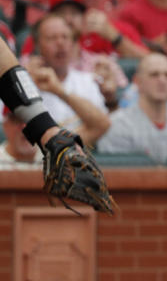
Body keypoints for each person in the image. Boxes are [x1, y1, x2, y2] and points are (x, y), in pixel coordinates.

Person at [0, 31, 115, 213]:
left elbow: (102, 124)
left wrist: (47, 130)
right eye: (16, 120)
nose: (24, 127)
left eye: (26, 120)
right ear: (5, 125)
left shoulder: (46, 150)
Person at [97, 53, 167, 162]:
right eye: (154, 75)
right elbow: (120, 176)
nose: (162, 80)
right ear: (137, 82)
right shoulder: (117, 124)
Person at [28, 14, 111, 139]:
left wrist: (59, 90)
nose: (60, 43)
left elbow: (102, 125)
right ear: (38, 46)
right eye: (52, 38)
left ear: (73, 44)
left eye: (65, 37)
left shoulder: (87, 81)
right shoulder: (26, 83)